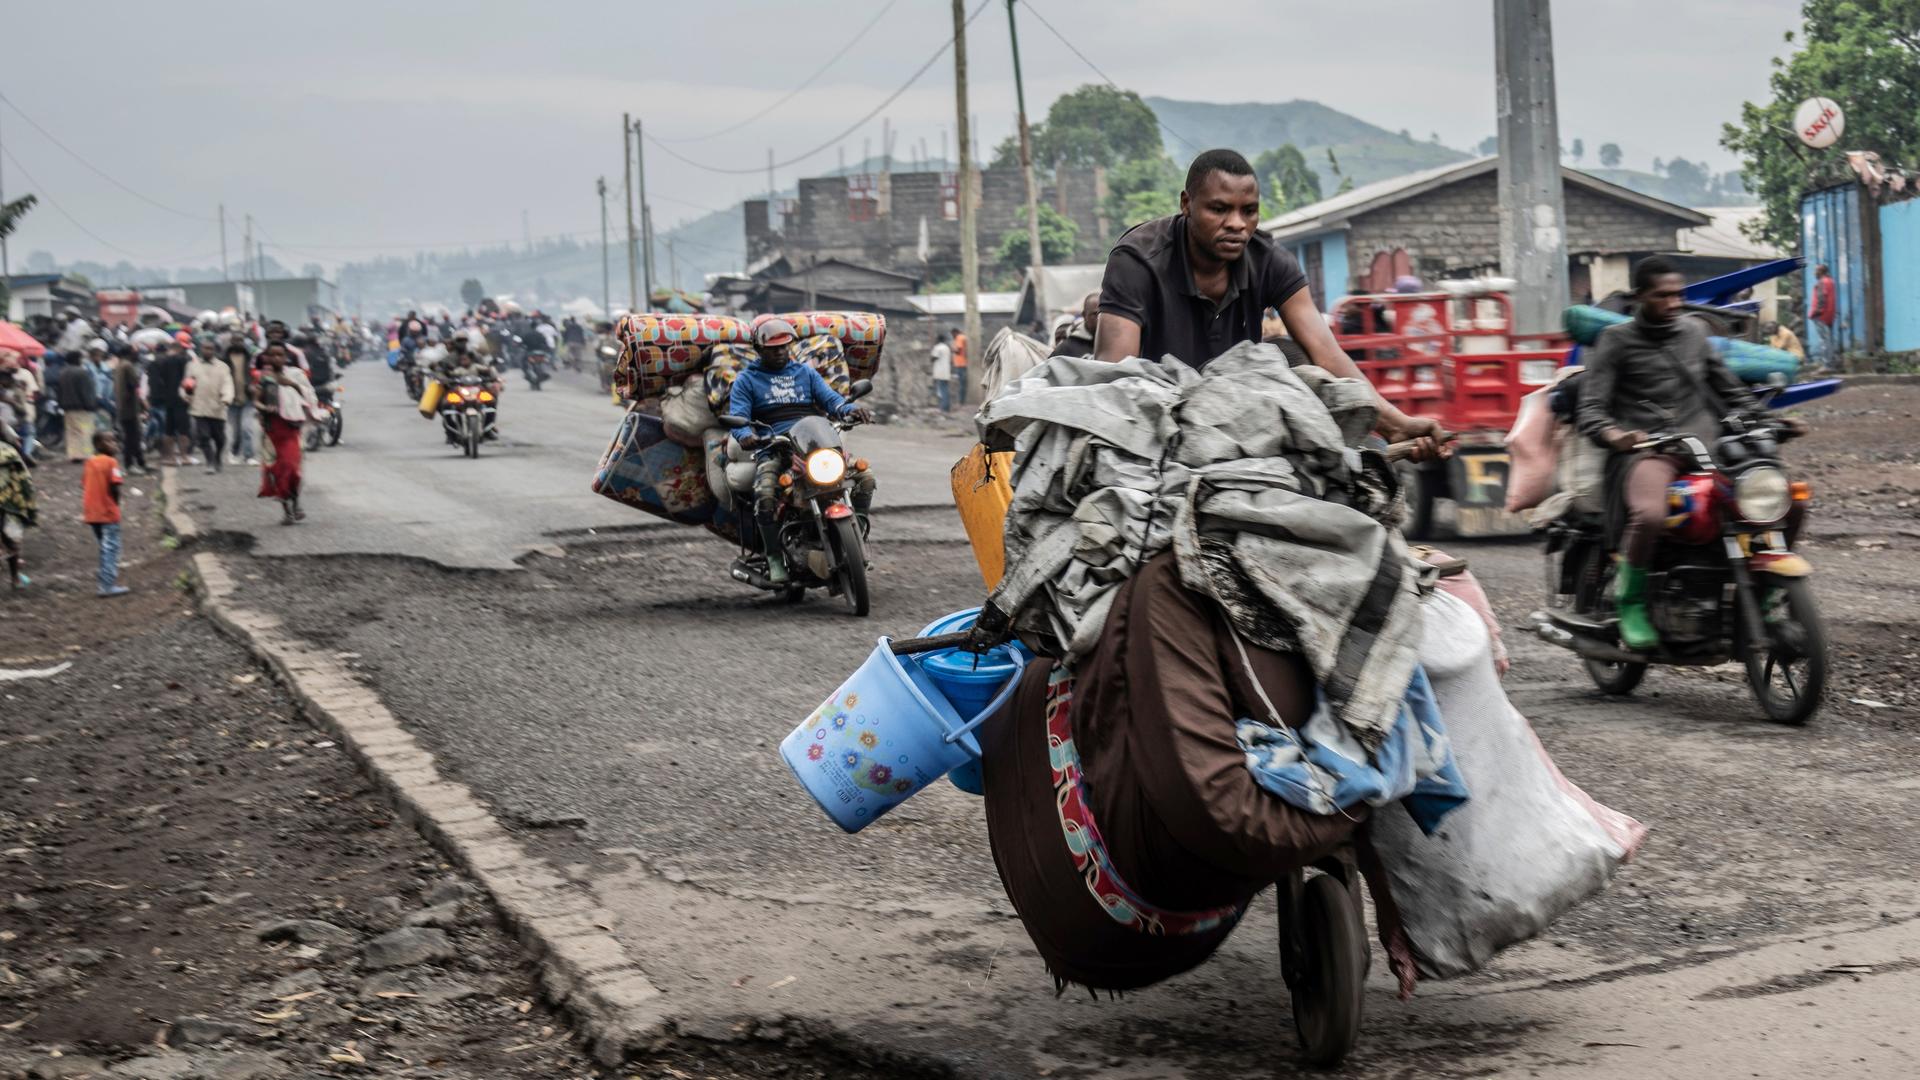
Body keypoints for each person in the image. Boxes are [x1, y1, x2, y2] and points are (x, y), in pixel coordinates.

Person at [1094, 148, 1447, 459]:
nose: (1236, 224)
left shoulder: (1269, 260)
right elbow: (1116, 375)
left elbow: (1327, 354)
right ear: (1186, 204)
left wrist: (1394, 425)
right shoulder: (1137, 260)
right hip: (1154, 420)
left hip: (1237, 420)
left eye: (1248, 211)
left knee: (1307, 378)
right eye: (1219, 209)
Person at [1574, 256, 1799, 652]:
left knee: (1787, 498)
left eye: (1678, 294)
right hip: (1649, 451)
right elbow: (1590, 409)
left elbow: (1730, 391)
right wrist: (1616, 435)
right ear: (1641, 296)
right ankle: (1632, 601)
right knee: (1651, 514)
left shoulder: (1695, 334)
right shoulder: (1616, 341)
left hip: (1709, 449)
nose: (1674, 302)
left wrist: (1772, 422)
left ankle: (1766, 592)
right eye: (1663, 296)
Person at [725, 317, 873, 585]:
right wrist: (746, 435)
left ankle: (858, 533)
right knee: (765, 493)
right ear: (758, 349)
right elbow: (738, 417)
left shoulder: (805, 373)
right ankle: (773, 557)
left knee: (864, 478)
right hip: (775, 446)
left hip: (814, 444)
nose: (780, 351)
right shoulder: (746, 380)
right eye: (773, 348)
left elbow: (832, 401)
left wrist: (852, 410)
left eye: (784, 346)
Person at [253, 343, 320, 525]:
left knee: (292, 468)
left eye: (280, 355)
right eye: (272, 355)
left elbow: (308, 395)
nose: (276, 358)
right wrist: (265, 407)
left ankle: (296, 502)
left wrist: (291, 385)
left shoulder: (296, 375)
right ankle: (287, 511)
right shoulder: (264, 378)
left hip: (291, 429)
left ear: (285, 357)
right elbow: (256, 401)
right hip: (272, 431)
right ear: (266, 358)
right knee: (277, 470)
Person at [82, 430, 130, 597]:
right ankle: (107, 585)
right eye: (109, 441)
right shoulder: (111, 462)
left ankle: (104, 581)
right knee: (111, 548)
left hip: (92, 513)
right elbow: (115, 487)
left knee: (104, 547)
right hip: (108, 512)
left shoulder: (89, 462)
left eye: (114, 441)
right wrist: (116, 504)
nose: (114, 444)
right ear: (98, 444)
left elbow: (85, 484)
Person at [187, 345, 236, 474]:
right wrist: (186, 394)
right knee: (203, 436)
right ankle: (210, 462)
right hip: (199, 406)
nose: (206, 351)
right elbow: (187, 383)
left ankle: (218, 457)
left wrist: (226, 397)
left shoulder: (223, 367)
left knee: (219, 438)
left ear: (215, 351)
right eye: (205, 348)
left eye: (210, 348)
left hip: (217, 407)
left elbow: (228, 384)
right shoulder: (192, 365)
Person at [0, 413, 35, 589]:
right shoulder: (9, 452)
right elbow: (23, 480)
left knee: (7, 539)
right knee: (10, 538)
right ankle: (15, 578)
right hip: (7, 504)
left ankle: (15, 577)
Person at [150, 340, 193, 466]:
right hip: (182, 398)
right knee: (183, 429)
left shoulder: (162, 361)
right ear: (179, 348)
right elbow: (188, 380)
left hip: (168, 399)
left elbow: (160, 379)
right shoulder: (183, 360)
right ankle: (184, 456)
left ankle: (170, 458)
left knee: (169, 430)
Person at [56, 345, 101, 462]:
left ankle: (74, 454)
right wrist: (91, 405)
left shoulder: (62, 373)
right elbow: (86, 392)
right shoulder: (82, 373)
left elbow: (59, 391)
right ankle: (86, 454)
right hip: (82, 407)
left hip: (67, 407)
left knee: (72, 433)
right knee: (85, 432)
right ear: (77, 360)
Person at [111, 348, 149, 476]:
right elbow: (134, 383)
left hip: (122, 406)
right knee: (132, 437)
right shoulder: (128, 366)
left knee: (131, 436)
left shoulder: (119, 367)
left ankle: (140, 462)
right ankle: (130, 465)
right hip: (129, 407)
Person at [221, 342, 258, 465]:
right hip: (232, 399)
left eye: (240, 339)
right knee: (236, 430)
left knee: (246, 428)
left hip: (247, 398)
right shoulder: (225, 360)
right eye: (236, 339)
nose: (238, 342)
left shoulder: (250, 360)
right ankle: (234, 452)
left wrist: (254, 386)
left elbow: (256, 375)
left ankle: (249, 455)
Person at [1806, 263, 1837, 372]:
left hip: (1821, 316)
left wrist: (1815, 313)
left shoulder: (1822, 283)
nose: (1815, 273)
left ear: (1821, 272)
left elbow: (1821, 299)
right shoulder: (1830, 281)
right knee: (1828, 340)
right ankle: (1830, 364)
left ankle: (1826, 365)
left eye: (1816, 271)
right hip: (1829, 315)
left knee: (1824, 340)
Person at [1052, 291, 1101, 358]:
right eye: (1095, 314)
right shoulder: (1066, 348)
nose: (1099, 318)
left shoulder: (1115, 343)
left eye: (1102, 314)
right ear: (1084, 315)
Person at [929, 331, 954, 412]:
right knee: (945, 389)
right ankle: (947, 406)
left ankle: (943, 408)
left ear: (938, 339)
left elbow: (933, 358)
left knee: (941, 390)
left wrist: (931, 355)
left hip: (939, 372)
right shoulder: (947, 348)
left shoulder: (937, 347)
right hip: (946, 371)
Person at [951, 327, 970, 406]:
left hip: (960, 364)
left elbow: (958, 350)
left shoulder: (959, 337)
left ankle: (961, 401)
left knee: (961, 383)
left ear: (955, 333)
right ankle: (962, 401)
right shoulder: (963, 337)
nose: (952, 336)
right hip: (963, 364)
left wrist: (951, 349)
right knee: (963, 383)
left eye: (952, 334)